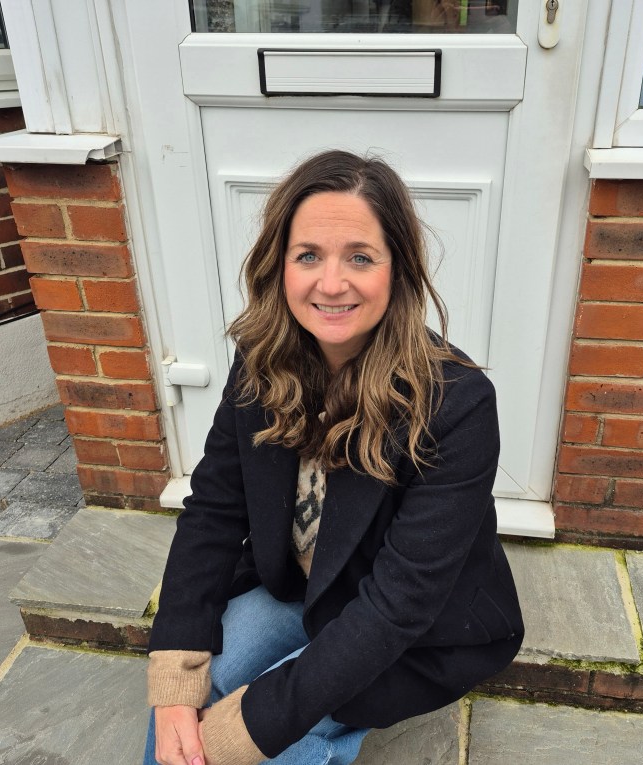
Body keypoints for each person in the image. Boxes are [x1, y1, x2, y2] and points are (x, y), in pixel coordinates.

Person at [144, 149, 523, 765]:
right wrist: (174, 674)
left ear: (397, 270)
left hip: (413, 625)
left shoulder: (458, 403)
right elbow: (213, 511)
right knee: (193, 699)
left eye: (360, 257)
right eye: (308, 256)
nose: (332, 283)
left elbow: (399, 603)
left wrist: (251, 729)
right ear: (281, 265)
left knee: (274, 734)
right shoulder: (259, 360)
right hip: (301, 588)